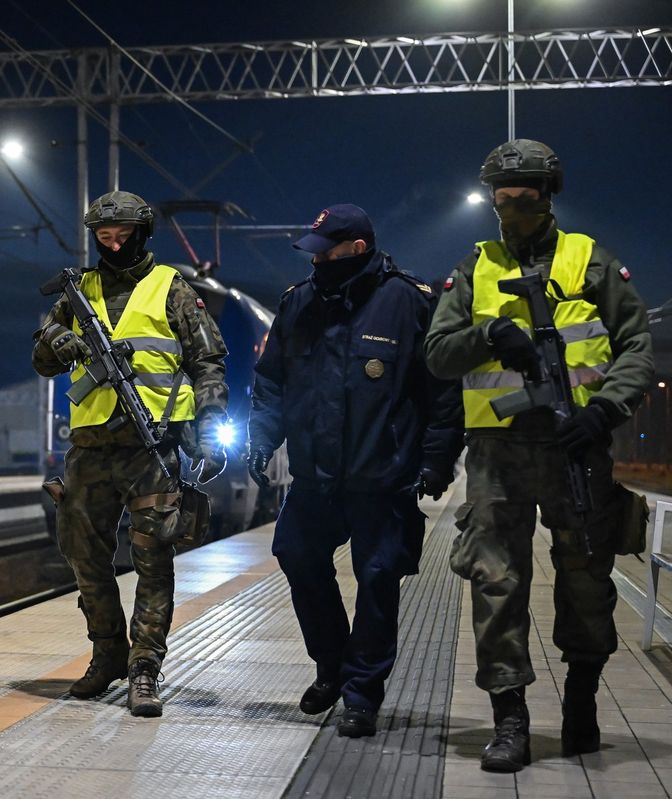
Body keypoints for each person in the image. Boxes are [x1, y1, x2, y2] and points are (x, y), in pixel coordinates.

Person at [425, 139, 653, 771]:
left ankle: (582, 700)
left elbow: (635, 345)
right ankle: (510, 719)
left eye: (525, 195)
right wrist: (488, 333)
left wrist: (605, 409)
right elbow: (437, 355)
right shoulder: (475, 268)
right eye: (502, 197)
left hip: (576, 446)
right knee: (496, 584)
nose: (512, 206)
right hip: (496, 453)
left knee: (586, 576)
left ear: (549, 195)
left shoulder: (590, 260)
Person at [247, 204, 463, 738]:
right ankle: (332, 666)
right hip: (314, 476)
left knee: (378, 579)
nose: (316, 261)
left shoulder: (410, 302)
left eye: (327, 252)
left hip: (382, 476)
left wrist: (436, 461)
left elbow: (441, 392)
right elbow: (271, 380)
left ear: (357, 249)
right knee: (296, 555)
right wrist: (261, 438)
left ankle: (361, 693)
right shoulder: (299, 303)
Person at [32, 190, 229, 717]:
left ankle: (144, 668)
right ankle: (107, 655)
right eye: (104, 237)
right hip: (90, 450)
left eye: (123, 236)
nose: (114, 246)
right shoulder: (79, 290)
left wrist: (210, 427)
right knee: (84, 557)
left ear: (142, 234)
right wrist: (57, 340)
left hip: (152, 448)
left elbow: (208, 362)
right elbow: (42, 361)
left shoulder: (172, 288)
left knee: (153, 559)